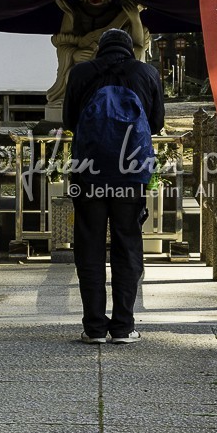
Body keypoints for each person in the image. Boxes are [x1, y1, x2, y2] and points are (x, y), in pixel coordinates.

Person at [62, 27, 165, 344]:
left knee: (90, 247)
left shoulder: (80, 73)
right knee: (127, 244)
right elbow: (157, 122)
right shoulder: (146, 73)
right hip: (130, 176)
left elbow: (68, 121)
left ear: (100, 49)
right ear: (130, 49)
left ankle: (93, 328)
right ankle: (123, 327)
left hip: (89, 173)